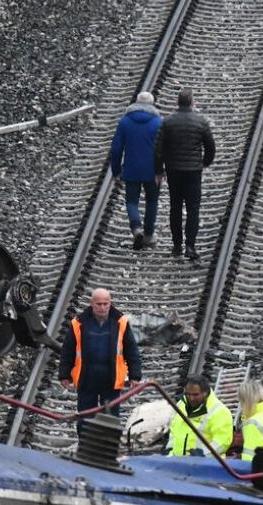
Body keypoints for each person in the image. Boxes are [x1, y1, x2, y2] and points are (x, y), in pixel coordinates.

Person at [59, 288, 142, 436]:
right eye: (99, 304)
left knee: (111, 419)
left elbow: (131, 350)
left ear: (110, 303)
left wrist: (135, 376)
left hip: (110, 378)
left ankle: (108, 449)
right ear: (92, 303)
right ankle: (85, 447)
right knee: (85, 417)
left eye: (105, 303)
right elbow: (68, 351)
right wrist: (64, 374)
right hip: (87, 378)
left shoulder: (120, 322)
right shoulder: (78, 324)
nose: (102, 307)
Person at [154, 87, 215, 261]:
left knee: (175, 208)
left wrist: (159, 170)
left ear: (177, 103)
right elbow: (210, 146)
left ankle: (176, 246)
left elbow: (158, 150)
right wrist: (205, 163)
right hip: (193, 171)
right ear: (192, 102)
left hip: (174, 171)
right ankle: (190, 245)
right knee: (193, 209)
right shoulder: (201, 121)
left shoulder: (167, 122)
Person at [109, 91, 163, 250]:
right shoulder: (158, 123)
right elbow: (163, 149)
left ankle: (136, 228)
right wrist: (161, 170)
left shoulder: (125, 122)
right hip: (152, 170)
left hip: (131, 169)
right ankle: (148, 235)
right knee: (152, 201)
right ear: (152, 104)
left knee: (132, 201)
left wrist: (116, 170)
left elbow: (116, 148)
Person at [166, 374, 233, 456]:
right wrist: (169, 448)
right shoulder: (181, 405)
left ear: (205, 393)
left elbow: (223, 441)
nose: (191, 398)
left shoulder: (220, 411)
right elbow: (173, 430)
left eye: (195, 394)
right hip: (179, 463)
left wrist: (203, 454)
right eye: (188, 394)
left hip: (205, 465)